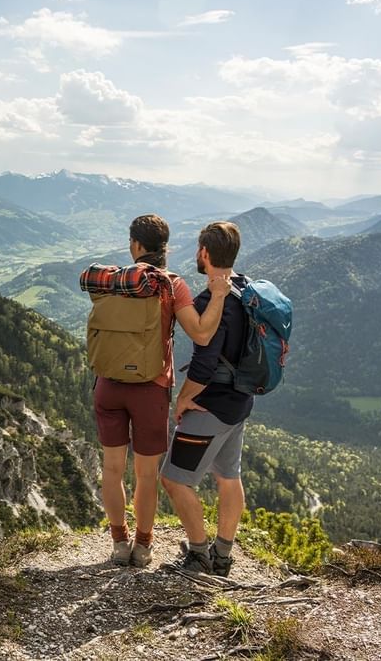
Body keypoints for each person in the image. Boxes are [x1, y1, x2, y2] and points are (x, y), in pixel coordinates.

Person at [90, 214, 232, 568]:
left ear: (135, 245)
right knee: (146, 473)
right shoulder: (171, 285)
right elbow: (201, 333)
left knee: (111, 469)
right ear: (165, 246)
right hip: (150, 389)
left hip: (107, 386)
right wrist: (217, 297)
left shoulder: (116, 283)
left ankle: (119, 543)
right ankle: (142, 546)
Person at [160, 221, 253, 577]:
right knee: (229, 476)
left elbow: (203, 365)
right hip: (240, 403)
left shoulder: (211, 303)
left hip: (210, 407)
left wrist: (182, 400)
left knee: (174, 480)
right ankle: (224, 556)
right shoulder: (245, 290)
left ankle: (200, 555)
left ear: (204, 253)